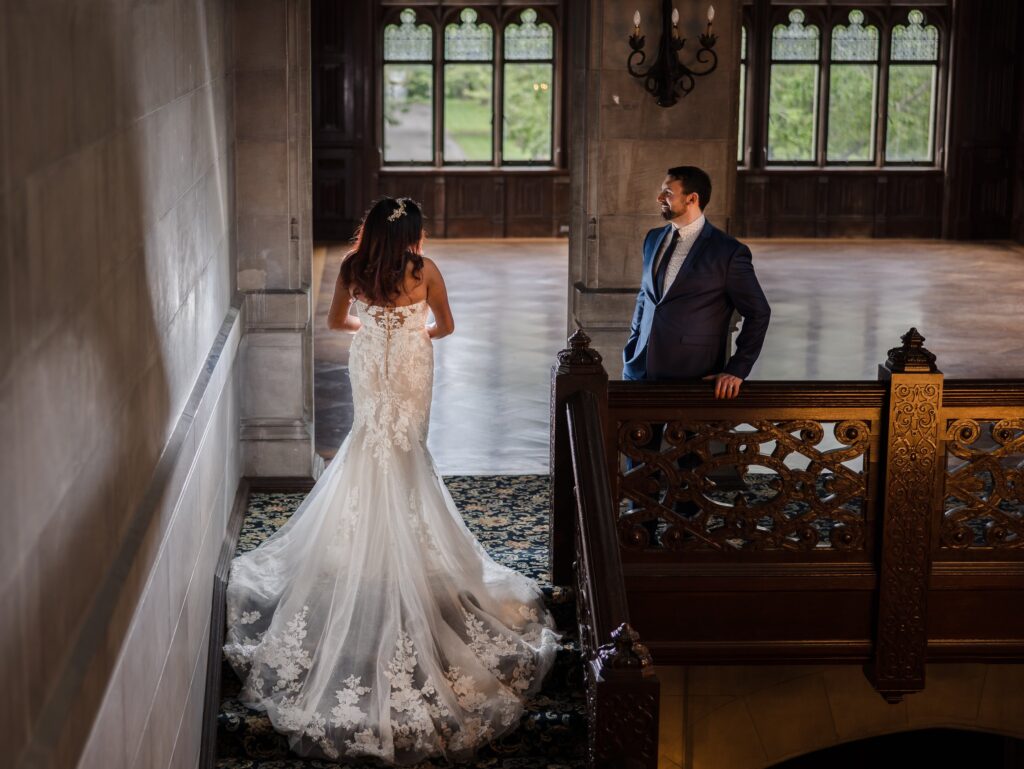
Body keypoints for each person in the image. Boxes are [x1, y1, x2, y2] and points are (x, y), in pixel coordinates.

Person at [223, 196, 560, 765]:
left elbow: (336, 322)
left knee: (367, 440)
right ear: (414, 235)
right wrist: (411, 330)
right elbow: (445, 327)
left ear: (372, 230)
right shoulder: (423, 272)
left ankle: (365, 546)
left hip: (369, 362)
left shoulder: (354, 270)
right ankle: (407, 540)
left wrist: (372, 325)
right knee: (406, 447)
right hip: (410, 363)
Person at [621, 167, 771, 543]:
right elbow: (645, 298)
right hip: (641, 369)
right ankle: (640, 534)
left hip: (693, 374)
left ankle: (684, 540)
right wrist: (634, 339)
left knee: (689, 467)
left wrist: (737, 369)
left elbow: (758, 312)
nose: (660, 198)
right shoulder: (653, 238)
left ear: (692, 199)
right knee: (639, 462)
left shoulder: (728, 252)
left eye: (667, 192)